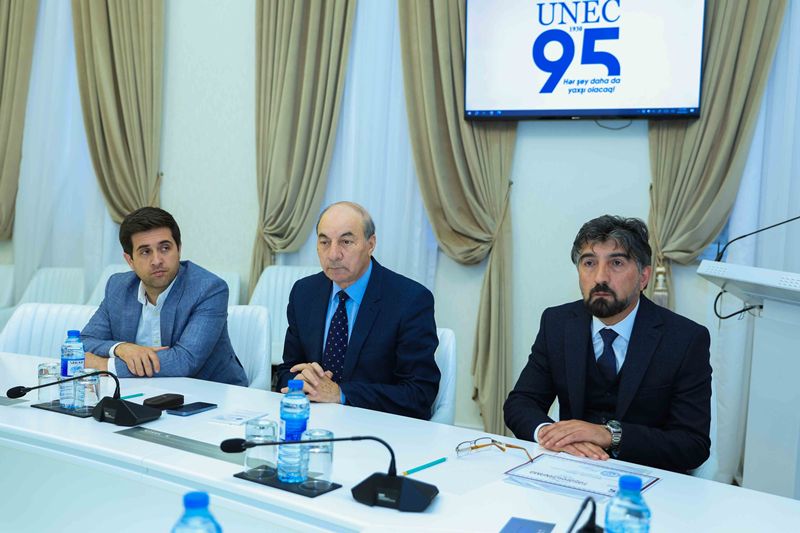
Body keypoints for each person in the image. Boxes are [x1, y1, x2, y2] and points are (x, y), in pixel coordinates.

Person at [504, 215, 711, 473]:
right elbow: (521, 403)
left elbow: (692, 444)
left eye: (616, 263)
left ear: (643, 276)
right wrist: (554, 435)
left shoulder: (685, 339)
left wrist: (609, 435)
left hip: (646, 478)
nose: (600, 277)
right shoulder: (557, 323)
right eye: (589, 263)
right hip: (570, 469)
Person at [276, 201, 440, 420]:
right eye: (324, 242)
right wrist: (301, 382)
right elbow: (286, 371)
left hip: (379, 427)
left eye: (346, 241)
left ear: (370, 244)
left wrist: (341, 394)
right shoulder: (304, 292)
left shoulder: (410, 300)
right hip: (314, 422)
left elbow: (419, 393)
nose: (333, 254)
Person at [82, 207, 248, 386]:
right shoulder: (118, 287)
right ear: (130, 260)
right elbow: (84, 342)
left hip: (211, 392)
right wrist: (121, 348)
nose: (157, 260)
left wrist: (103, 365)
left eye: (165, 248)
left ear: (179, 249)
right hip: (143, 392)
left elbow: (184, 360)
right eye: (145, 252)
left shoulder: (209, 289)